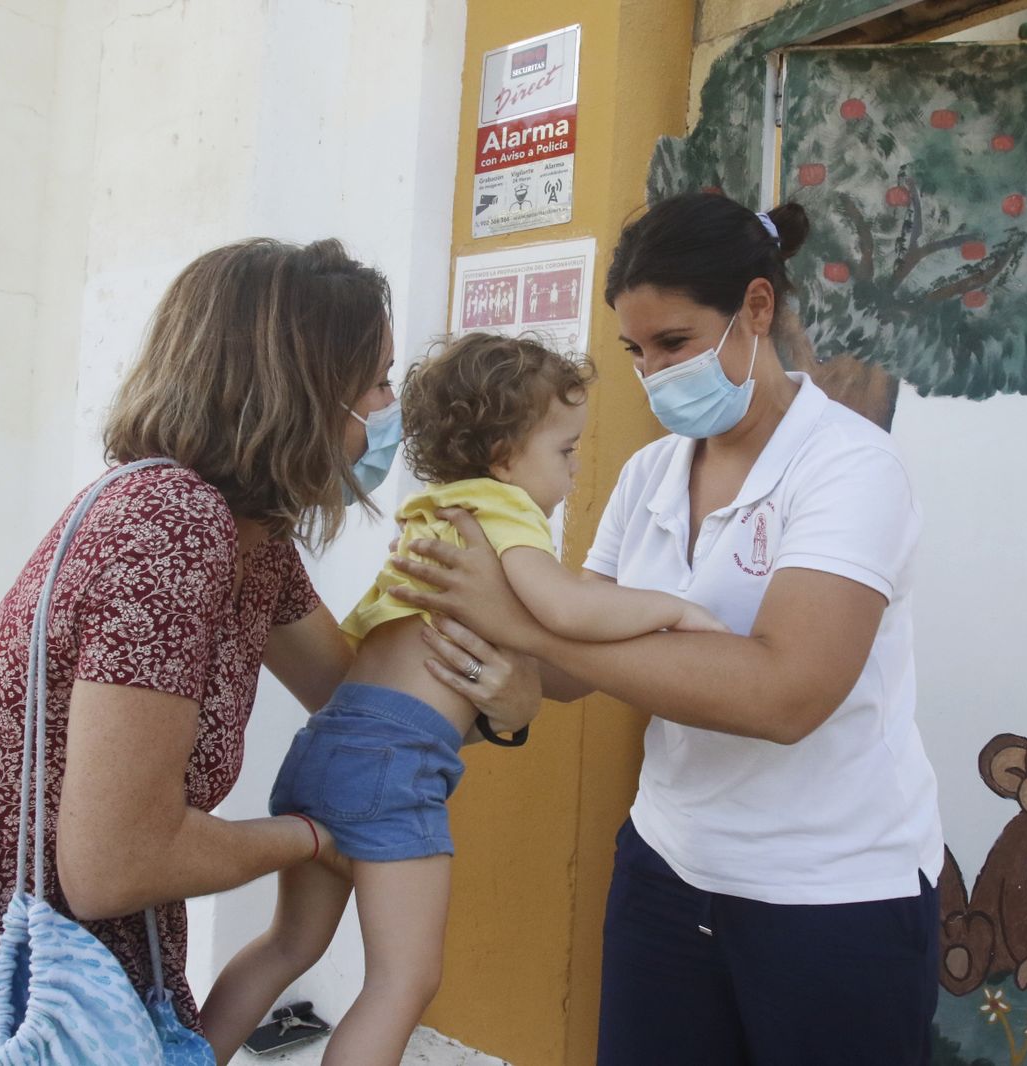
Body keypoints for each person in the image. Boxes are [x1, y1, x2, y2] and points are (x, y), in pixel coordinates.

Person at [0, 239, 540, 1065]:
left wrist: (503, 704)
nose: (387, 411)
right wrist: (309, 839)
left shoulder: (252, 541)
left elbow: (358, 702)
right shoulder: (172, 524)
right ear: (303, 387)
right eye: (375, 381)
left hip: (62, 957)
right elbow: (116, 863)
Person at [390, 193, 945, 1065]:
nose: (653, 373)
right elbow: (585, 668)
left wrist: (531, 631)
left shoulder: (849, 469)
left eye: (675, 343)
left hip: (831, 894)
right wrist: (502, 655)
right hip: (667, 869)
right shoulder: (652, 472)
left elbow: (786, 695)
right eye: (636, 351)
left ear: (755, 309)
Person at [196, 332, 726, 1066]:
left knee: (288, 944)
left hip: (328, 745)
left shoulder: (431, 514)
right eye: (565, 452)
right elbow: (567, 610)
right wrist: (672, 608)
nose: (573, 475)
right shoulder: (500, 512)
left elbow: (372, 643)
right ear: (507, 457)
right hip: (395, 769)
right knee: (404, 981)